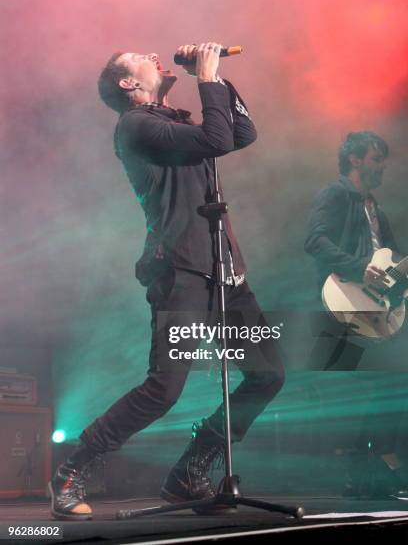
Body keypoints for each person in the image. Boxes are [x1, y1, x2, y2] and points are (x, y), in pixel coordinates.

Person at [49, 42, 285, 520]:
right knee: (164, 389)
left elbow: (241, 133)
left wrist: (216, 78)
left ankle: (189, 473)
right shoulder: (137, 126)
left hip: (224, 272)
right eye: (140, 56)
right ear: (127, 83)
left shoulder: (173, 122)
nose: (154, 56)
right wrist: (207, 77)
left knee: (267, 375)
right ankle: (73, 470)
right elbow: (217, 139)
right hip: (181, 271)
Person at [304, 131, 406, 498]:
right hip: (345, 297)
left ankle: (372, 464)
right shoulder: (335, 194)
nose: (382, 166)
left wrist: (398, 285)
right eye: (377, 158)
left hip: (373, 303)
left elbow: (392, 259)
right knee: (374, 384)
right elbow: (314, 241)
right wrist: (359, 267)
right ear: (355, 159)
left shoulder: (373, 206)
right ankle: (366, 465)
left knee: (389, 383)